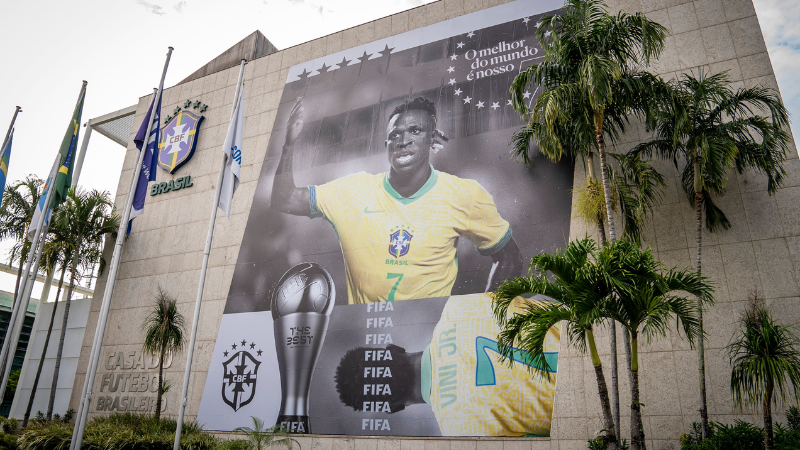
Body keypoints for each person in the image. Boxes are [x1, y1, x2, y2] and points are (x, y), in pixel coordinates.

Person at [271, 97, 523, 304]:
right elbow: (285, 199)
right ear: (386, 144)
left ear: (432, 139)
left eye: (415, 131)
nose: (403, 141)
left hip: (428, 343)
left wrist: (486, 316)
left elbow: (510, 258)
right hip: (366, 342)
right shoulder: (354, 190)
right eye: (395, 135)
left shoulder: (463, 194)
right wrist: (289, 145)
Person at [333, 293, 560, 436]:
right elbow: (541, 301)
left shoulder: (462, 432)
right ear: (394, 349)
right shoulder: (461, 305)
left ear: (393, 408)